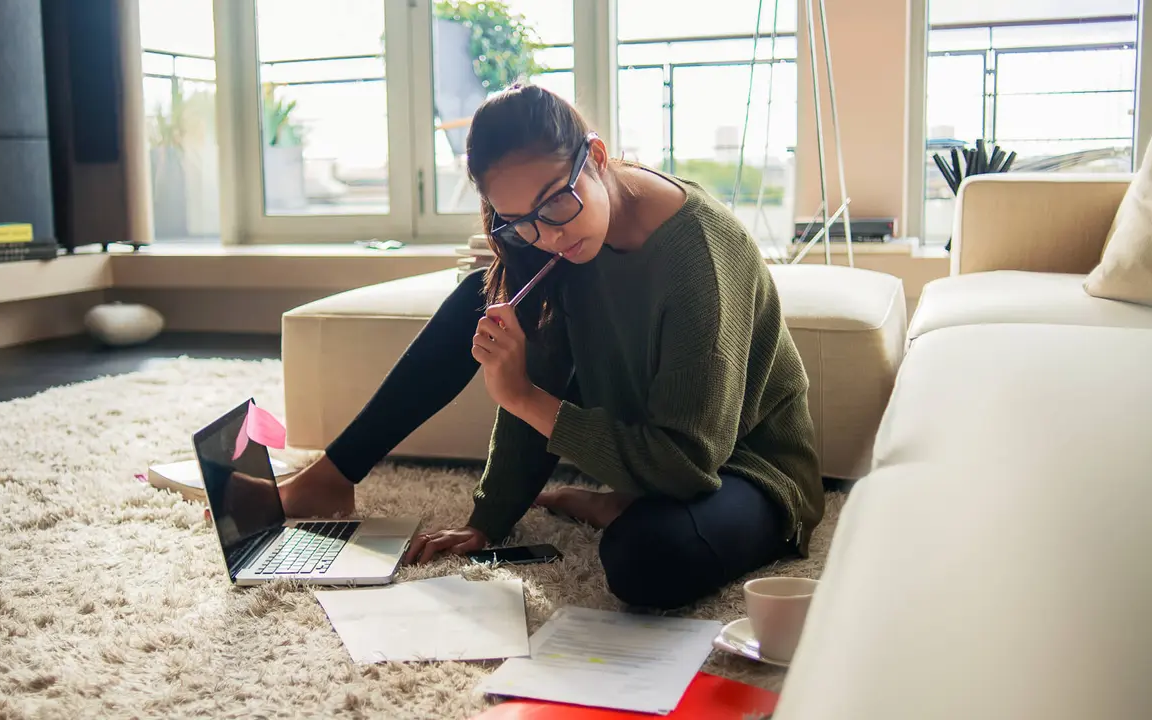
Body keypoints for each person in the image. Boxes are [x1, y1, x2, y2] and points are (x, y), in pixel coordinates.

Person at [278, 85, 823, 610]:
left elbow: (687, 465)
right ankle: (334, 475)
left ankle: (617, 504)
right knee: (483, 298)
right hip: (651, 441)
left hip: (745, 465)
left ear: (599, 158)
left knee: (644, 559)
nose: (550, 234)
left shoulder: (698, 255)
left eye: (556, 203)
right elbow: (541, 371)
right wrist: (488, 520)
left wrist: (519, 396)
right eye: (520, 222)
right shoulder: (555, 243)